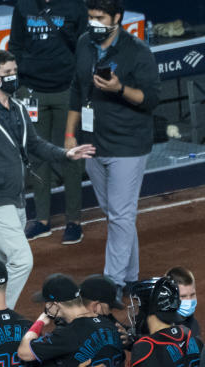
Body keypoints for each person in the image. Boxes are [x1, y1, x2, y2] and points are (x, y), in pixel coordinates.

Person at [0, 49, 94, 308]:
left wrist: (66, 154)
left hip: (15, 199)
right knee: (21, 259)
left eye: (15, 72)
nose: (13, 77)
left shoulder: (18, 108)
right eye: (7, 73)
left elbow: (36, 144)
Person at [67, 0, 160, 290]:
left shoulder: (137, 51)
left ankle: (113, 283)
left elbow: (151, 99)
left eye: (100, 18)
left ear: (117, 17)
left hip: (128, 144)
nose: (94, 23)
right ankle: (131, 277)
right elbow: (76, 89)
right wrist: (70, 134)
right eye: (91, 17)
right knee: (116, 213)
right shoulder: (84, 43)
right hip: (93, 141)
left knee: (120, 214)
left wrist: (119, 88)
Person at [9, 0, 88, 244]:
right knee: (37, 157)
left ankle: (73, 221)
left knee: (71, 155)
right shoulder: (23, 6)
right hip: (32, 92)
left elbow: (86, 48)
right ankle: (42, 221)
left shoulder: (75, 6)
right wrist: (19, 85)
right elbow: (15, 46)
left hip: (67, 91)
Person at [165, 266, 199, 338]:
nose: (189, 301)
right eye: (183, 296)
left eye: (192, 295)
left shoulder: (194, 325)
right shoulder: (158, 328)